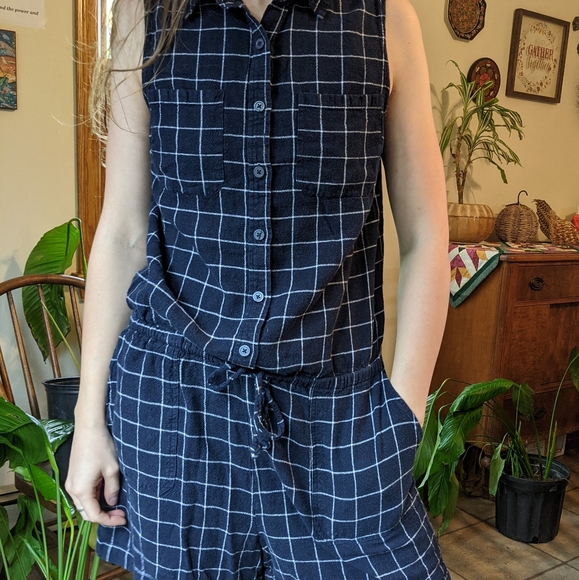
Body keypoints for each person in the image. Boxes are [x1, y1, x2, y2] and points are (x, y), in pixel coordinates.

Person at [66, 0, 450, 577]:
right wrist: (89, 420)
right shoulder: (145, 16)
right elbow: (122, 233)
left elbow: (425, 235)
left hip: (337, 423)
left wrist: (405, 417)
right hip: (176, 417)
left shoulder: (384, 18)